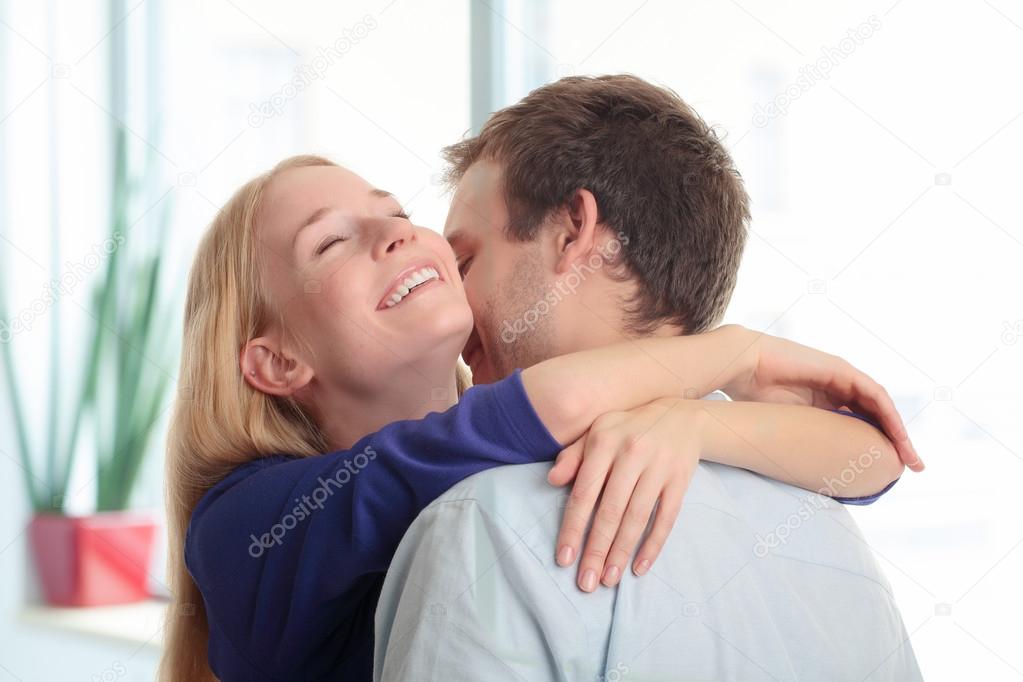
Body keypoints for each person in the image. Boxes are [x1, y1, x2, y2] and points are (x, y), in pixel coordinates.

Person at [160, 153, 907, 680]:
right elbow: (528, 410)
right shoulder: (243, 522)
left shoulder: (520, 453)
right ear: (278, 362)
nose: (395, 234)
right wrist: (733, 351)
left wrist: (697, 424)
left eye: (394, 213)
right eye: (329, 242)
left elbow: (866, 458)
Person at [373, 75, 923, 680]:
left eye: (466, 261)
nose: (454, 306)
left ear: (573, 233)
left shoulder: (484, 525)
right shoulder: (835, 540)